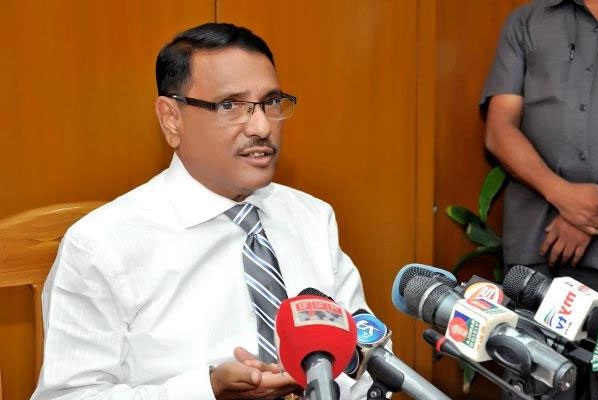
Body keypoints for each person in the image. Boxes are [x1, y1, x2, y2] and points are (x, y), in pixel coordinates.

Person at [31, 23, 373, 400]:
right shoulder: (101, 246)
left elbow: (367, 362)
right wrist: (206, 390)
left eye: (271, 102)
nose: (262, 126)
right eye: (230, 105)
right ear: (171, 119)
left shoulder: (312, 218)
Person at [481, 0, 598, 398]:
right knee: (534, 384)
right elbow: (499, 129)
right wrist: (564, 196)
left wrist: (592, 210)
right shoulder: (527, 21)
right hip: (536, 257)